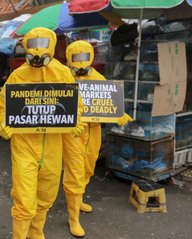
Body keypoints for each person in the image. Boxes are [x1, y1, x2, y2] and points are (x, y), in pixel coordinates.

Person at [0, 27, 85, 239]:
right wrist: (3, 123)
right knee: (25, 198)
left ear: (52, 45)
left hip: (53, 144)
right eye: (33, 45)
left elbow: (75, 102)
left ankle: (36, 233)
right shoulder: (18, 75)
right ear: (26, 46)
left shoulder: (62, 72)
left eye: (42, 45)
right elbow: (3, 102)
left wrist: (75, 120)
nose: (37, 51)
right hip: (24, 144)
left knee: (47, 193)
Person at [62, 40, 133, 237]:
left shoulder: (98, 77)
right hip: (73, 132)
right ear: (69, 58)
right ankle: (73, 217)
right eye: (76, 57)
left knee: (88, 165)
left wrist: (118, 113)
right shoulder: (63, 77)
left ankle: (79, 199)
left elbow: (108, 100)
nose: (81, 61)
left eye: (85, 57)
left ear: (91, 57)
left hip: (93, 130)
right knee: (75, 171)